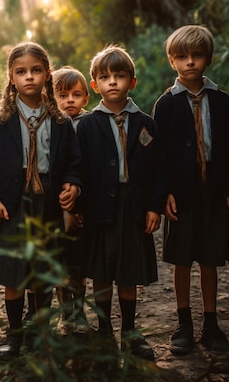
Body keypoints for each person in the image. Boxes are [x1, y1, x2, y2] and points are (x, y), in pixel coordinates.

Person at [0, 42, 82, 360]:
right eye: (21, 72)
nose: (29, 77)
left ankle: (40, 332)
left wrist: (72, 186)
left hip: (48, 200)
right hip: (13, 201)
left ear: (47, 75)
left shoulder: (61, 121)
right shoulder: (1, 121)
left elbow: (73, 164)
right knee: (14, 271)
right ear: (11, 77)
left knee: (43, 270)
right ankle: (14, 334)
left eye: (36, 70)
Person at [152, 25, 229, 355]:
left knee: (209, 258)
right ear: (172, 61)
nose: (190, 62)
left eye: (197, 55)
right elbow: (158, 156)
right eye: (182, 56)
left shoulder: (221, 101)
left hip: (214, 191)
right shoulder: (165, 105)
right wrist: (163, 194)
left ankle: (211, 323)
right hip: (181, 194)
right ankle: (184, 323)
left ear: (208, 58)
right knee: (181, 259)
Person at [75, 45, 166, 361]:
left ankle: (130, 332)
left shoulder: (146, 123)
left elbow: (159, 170)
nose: (112, 82)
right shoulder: (86, 125)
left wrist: (155, 206)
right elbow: (77, 167)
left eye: (120, 76)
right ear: (94, 84)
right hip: (98, 206)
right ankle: (104, 330)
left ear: (132, 82)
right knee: (101, 268)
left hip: (135, 207)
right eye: (105, 76)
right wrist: (78, 206)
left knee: (128, 270)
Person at [52, 65, 90, 333]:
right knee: (59, 261)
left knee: (79, 263)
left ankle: (80, 311)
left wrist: (81, 206)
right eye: (63, 95)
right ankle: (64, 313)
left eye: (76, 95)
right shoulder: (52, 124)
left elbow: (94, 168)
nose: (70, 101)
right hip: (57, 205)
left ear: (86, 98)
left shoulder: (90, 124)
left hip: (84, 204)